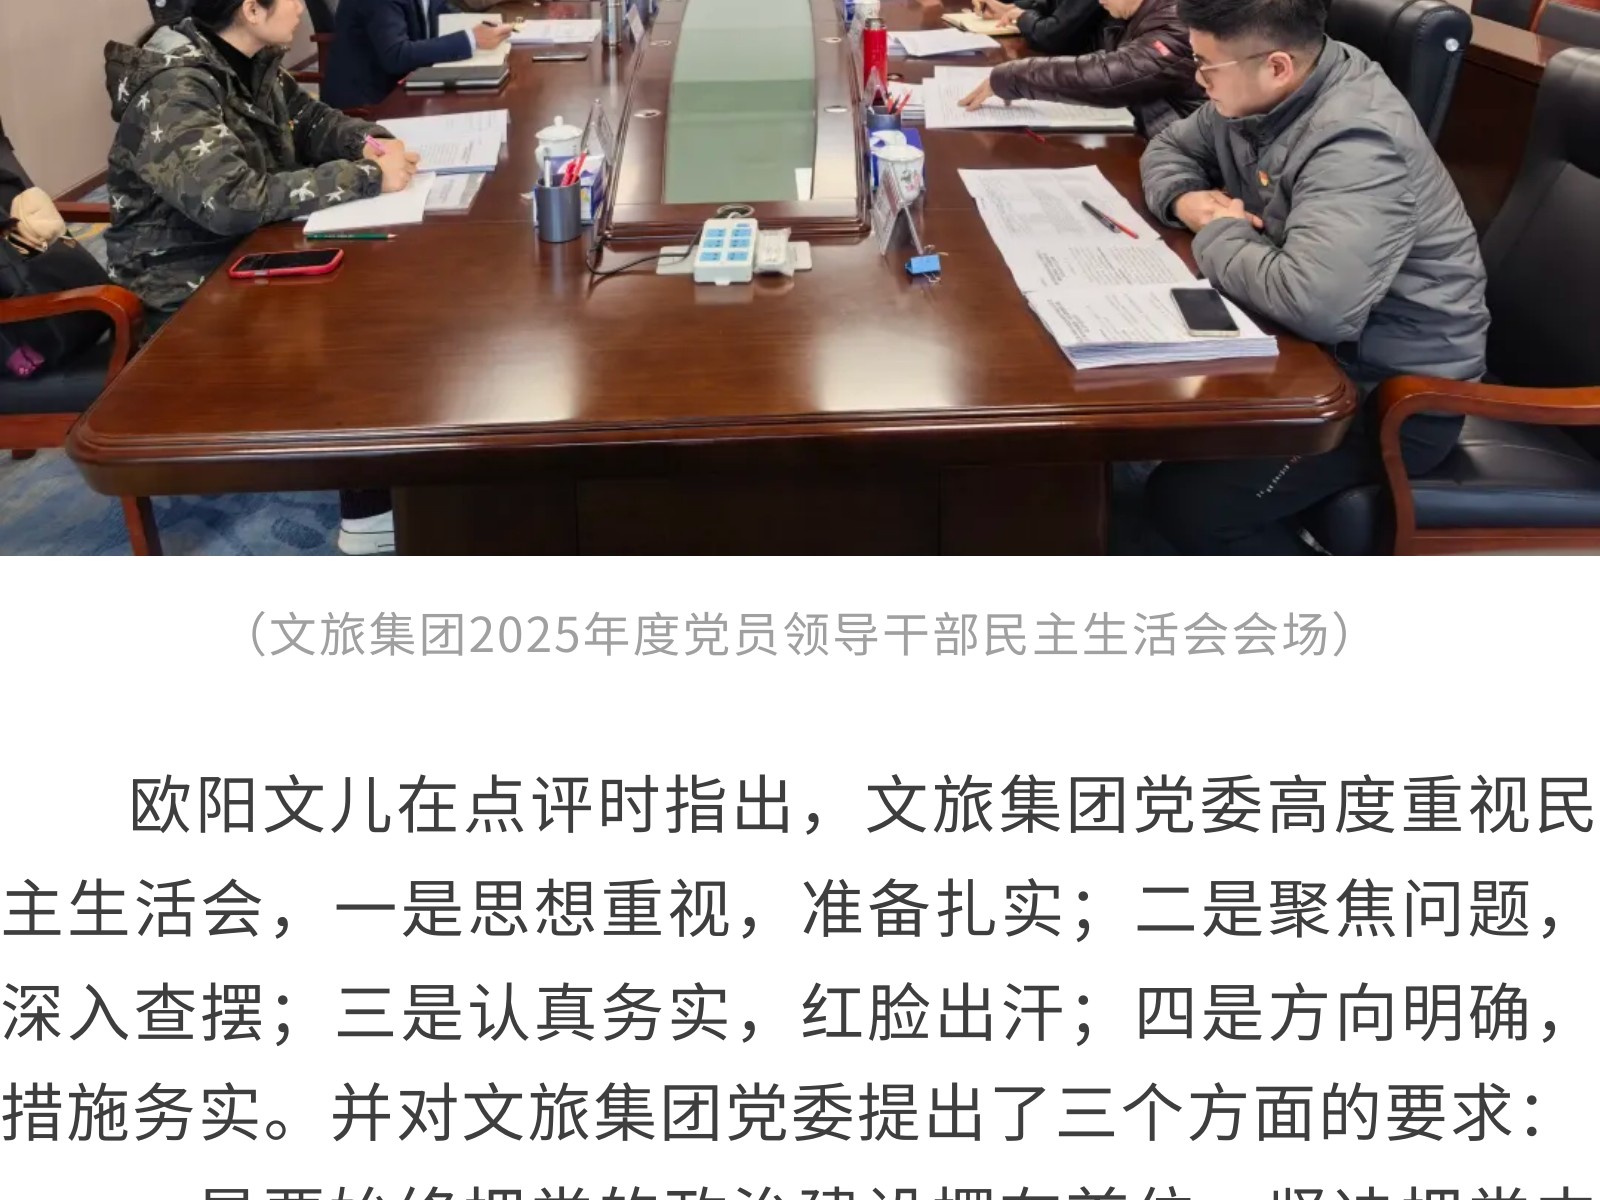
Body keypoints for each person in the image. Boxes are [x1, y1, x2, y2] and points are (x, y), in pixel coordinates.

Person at [1136, 0, 1489, 553]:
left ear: (1277, 66)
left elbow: (1315, 302)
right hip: (1315, 358)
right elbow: (1169, 146)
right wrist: (1185, 200)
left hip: (1393, 398)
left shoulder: (1358, 142)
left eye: (1206, 66)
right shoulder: (1262, 95)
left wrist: (1219, 233)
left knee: (1188, 504)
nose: (1198, 80)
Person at [104, 0, 421, 553]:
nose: (302, 5)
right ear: (251, 9)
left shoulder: (251, 57)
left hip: (246, 251)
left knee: (384, 286)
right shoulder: (175, 88)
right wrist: (367, 176)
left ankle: (395, 477)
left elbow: (311, 120)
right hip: (185, 287)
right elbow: (232, 201)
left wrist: (372, 142)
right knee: (355, 327)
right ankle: (368, 515)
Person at [960, 0, 1205, 138]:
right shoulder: (1135, 14)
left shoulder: (1177, 20)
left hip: (1184, 151)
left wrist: (1014, 76)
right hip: (1151, 134)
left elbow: (1111, 75)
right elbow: (1104, 59)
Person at [322, 0, 515, 109]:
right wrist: (470, 39)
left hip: (409, 87)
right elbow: (396, 55)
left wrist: (482, 27)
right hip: (368, 106)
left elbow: (443, 13)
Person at [972, 0, 1105, 55]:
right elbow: (1053, 4)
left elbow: (1051, 36)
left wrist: (1023, 16)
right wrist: (1010, 9)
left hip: (1094, 71)